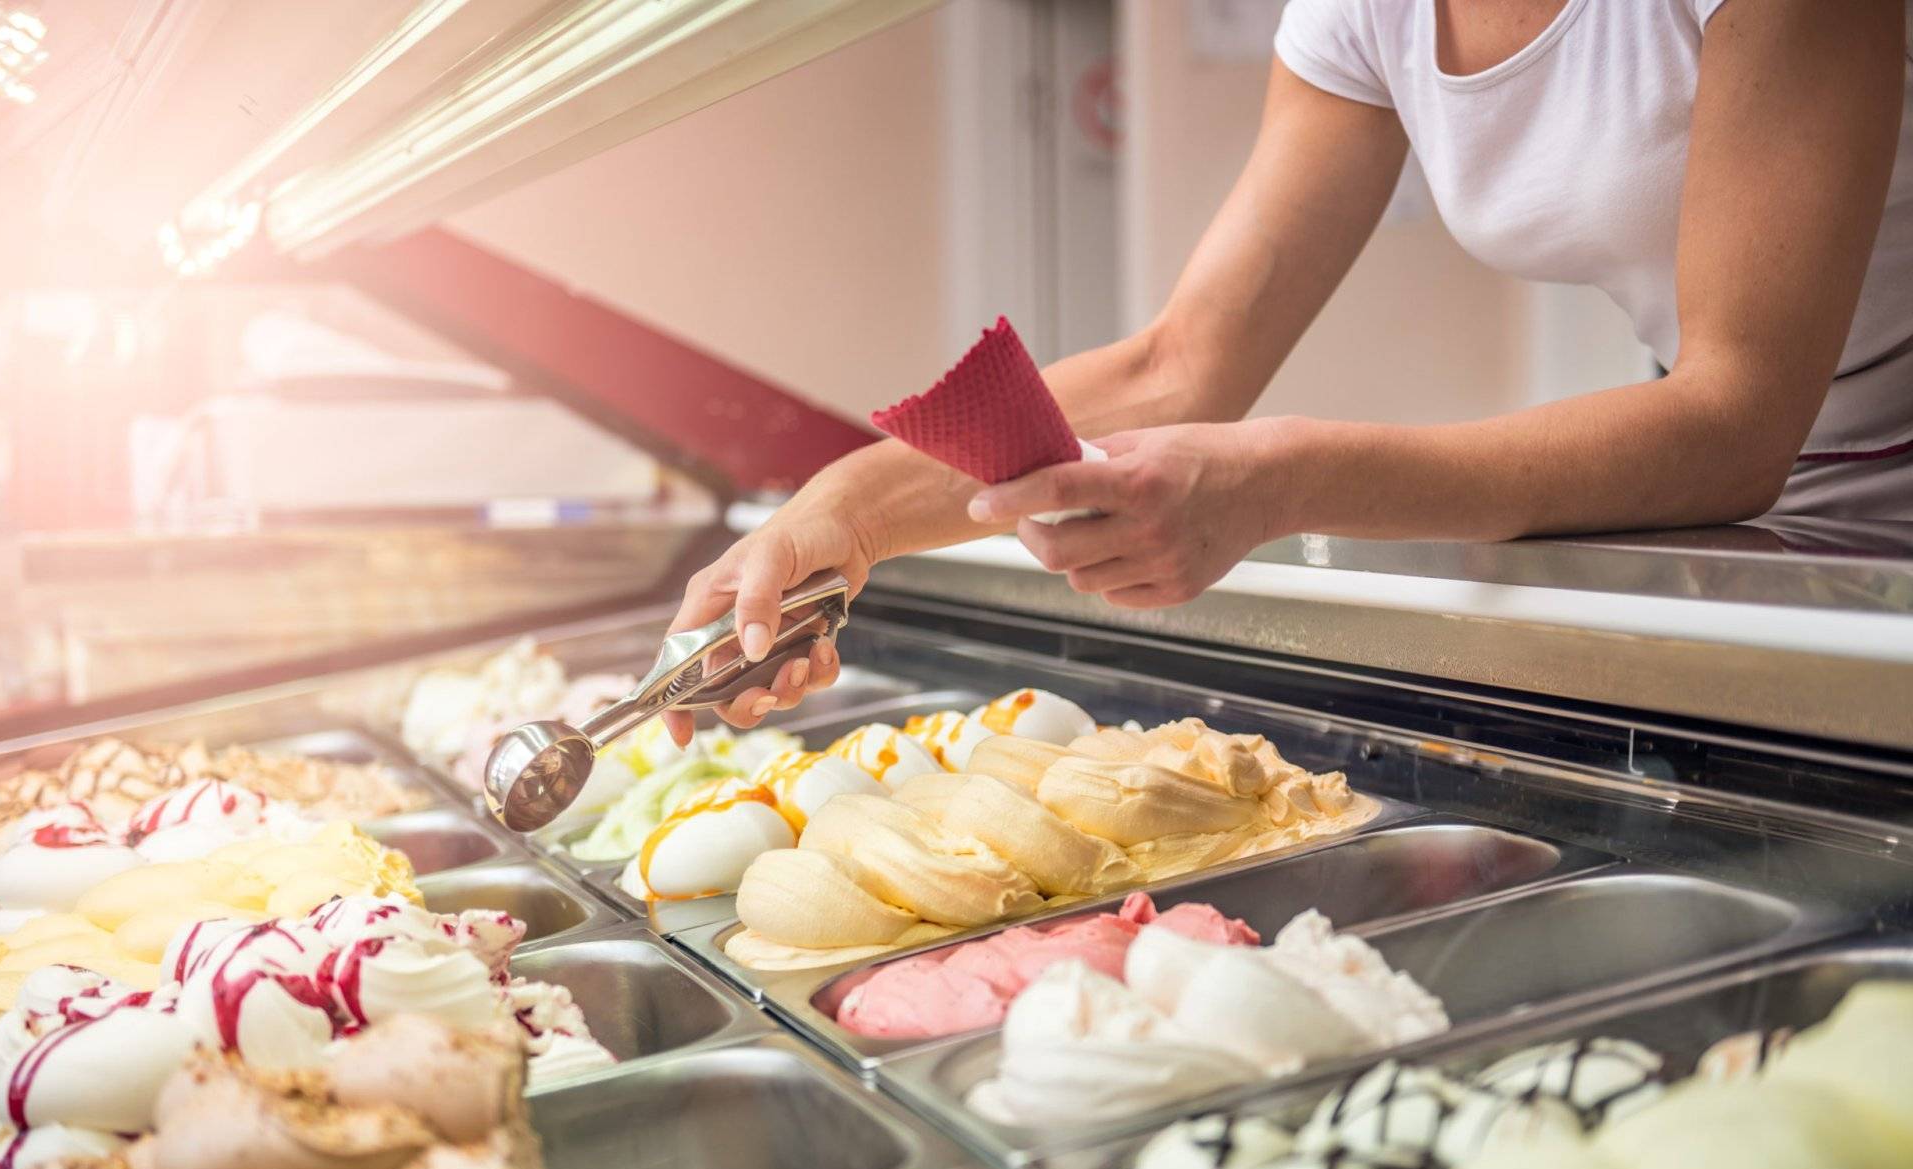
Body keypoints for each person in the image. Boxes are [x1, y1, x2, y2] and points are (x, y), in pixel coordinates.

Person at [665, 0, 1913, 745]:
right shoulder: (1361, 13)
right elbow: (1183, 362)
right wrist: (844, 512)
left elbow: (1732, 419)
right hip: (1751, 528)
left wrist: (1277, 480)